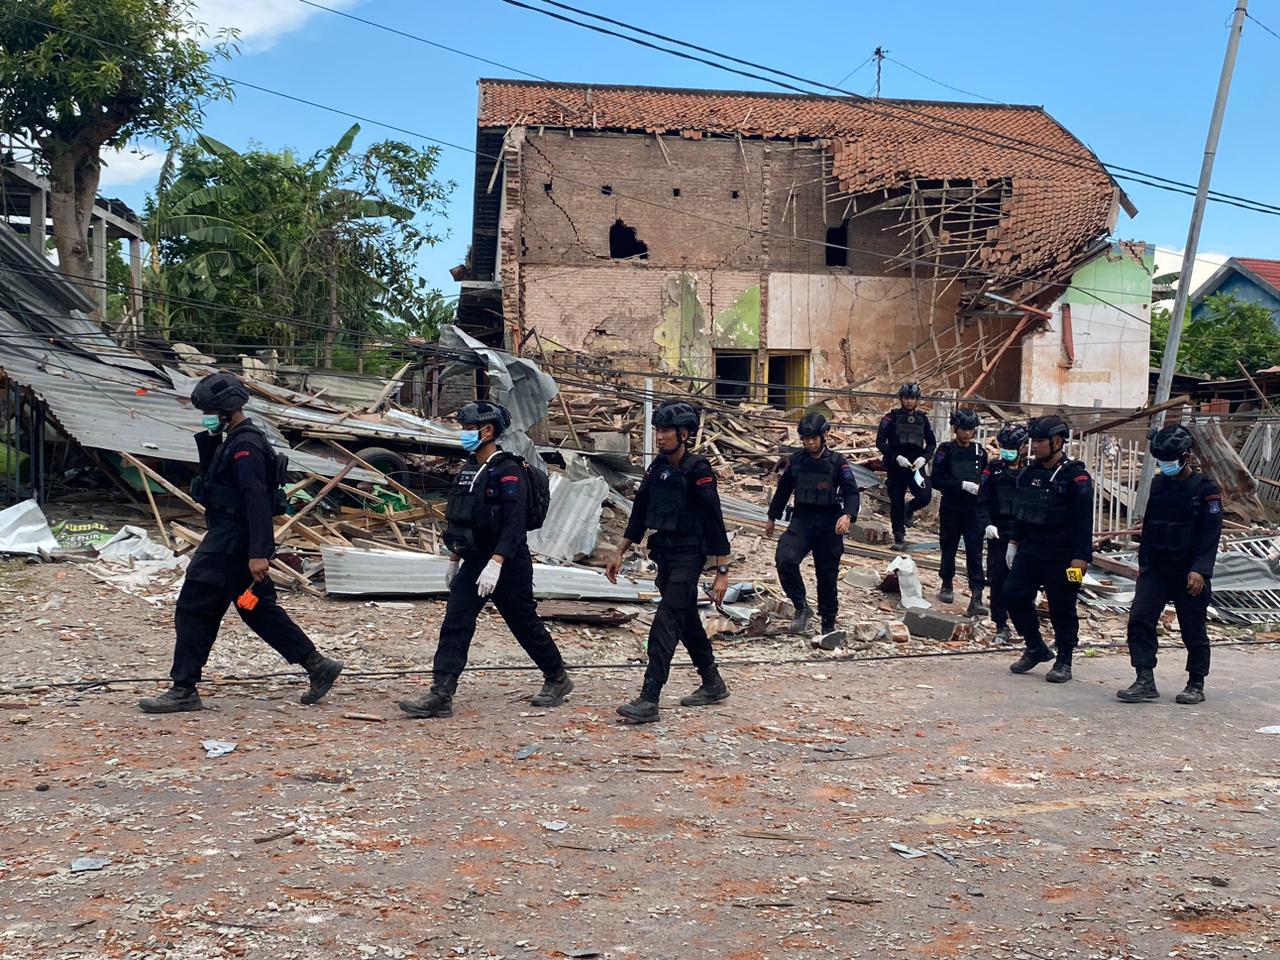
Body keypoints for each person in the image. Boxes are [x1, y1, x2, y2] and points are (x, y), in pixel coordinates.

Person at [139, 372, 343, 713]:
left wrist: (259, 553)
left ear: (225, 410)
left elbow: (256, 500)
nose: (203, 416)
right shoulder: (231, 440)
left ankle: (184, 689)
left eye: (207, 410)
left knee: (193, 606)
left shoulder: (245, 445)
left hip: (231, 541)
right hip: (232, 539)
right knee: (255, 608)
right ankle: (317, 665)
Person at [399, 401, 572, 719]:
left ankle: (557, 677)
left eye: (468, 429)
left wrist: (497, 563)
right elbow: (461, 518)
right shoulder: (469, 470)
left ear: (488, 430)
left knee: (523, 622)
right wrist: (454, 559)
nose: (463, 434)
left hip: (507, 562)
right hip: (475, 560)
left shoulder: (508, 470)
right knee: (456, 620)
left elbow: (514, 524)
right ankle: (441, 693)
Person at [606, 400, 731, 724]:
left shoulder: (699, 471)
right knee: (686, 620)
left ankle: (649, 697)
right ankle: (712, 682)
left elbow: (715, 521)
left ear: (685, 434)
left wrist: (721, 571)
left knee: (665, 623)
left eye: (666, 431)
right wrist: (619, 552)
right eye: (658, 430)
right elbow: (639, 512)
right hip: (665, 555)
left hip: (690, 557)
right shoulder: (657, 469)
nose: (659, 437)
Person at [1118, 425, 1222, 705]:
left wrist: (1200, 570)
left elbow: (1211, 534)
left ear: (1186, 456)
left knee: (1193, 628)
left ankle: (1195, 683)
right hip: (1157, 569)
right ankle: (1144, 679)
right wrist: (1144, 563)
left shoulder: (1206, 490)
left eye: (1169, 459)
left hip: (1189, 572)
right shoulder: (1159, 484)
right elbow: (1151, 524)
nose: (1164, 465)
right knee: (1140, 619)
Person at [1004, 415, 1094, 683]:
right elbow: (1022, 511)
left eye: (1040, 441)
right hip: (1032, 551)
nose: (1035, 446)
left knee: (1063, 607)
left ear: (1057, 442)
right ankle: (1035, 647)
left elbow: (1085, 521)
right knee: (1012, 594)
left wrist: (1081, 558)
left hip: (1067, 558)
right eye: (1034, 441)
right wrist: (1014, 542)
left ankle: (1064, 659)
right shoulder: (1030, 472)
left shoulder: (1076, 477)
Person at [765, 412, 860, 635]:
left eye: (813, 438)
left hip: (829, 524)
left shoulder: (838, 463)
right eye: (805, 439)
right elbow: (783, 490)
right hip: (802, 521)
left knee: (826, 575)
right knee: (784, 560)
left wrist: (847, 515)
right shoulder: (796, 461)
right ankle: (801, 607)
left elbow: (851, 492)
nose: (809, 443)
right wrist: (771, 517)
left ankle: (828, 622)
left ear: (823, 436)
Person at [931, 408, 989, 615]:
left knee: (975, 551)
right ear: (956, 429)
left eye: (970, 429)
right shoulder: (945, 450)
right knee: (949, 546)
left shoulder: (980, 452)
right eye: (963, 429)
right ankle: (946, 583)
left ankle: (977, 594)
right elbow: (936, 480)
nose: (967, 433)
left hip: (973, 509)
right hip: (952, 506)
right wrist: (961, 485)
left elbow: (986, 478)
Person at [977, 422, 1029, 643]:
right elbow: (982, 501)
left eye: (1013, 446)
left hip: (1025, 534)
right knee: (998, 579)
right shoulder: (993, 469)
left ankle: (1025, 625)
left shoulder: (1032, 472)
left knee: (1024, 581)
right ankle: (1001, 624)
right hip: (999, 533)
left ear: (1024, 446)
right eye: (1005, 445)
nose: (1008, 450)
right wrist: (987, 524)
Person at [877, 383, 936, 551]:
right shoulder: (890, 418)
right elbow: (880, 442)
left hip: (916, 465)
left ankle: (909, 508)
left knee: (924, 496)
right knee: (896, 501)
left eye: (912, 398)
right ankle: (899, 536)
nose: (909, 401)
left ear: (917, 400)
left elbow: (931, 443)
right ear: (901, 399)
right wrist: (895, 457)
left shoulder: (923, 420)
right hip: (896, 465)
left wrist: (924, 458)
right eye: (906, 398)